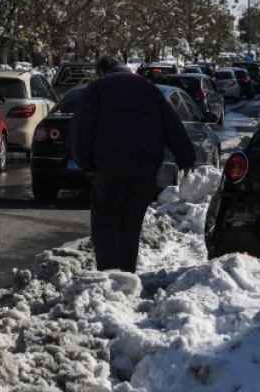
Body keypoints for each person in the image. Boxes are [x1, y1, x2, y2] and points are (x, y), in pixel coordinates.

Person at [70, 56, 196, 273]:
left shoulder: (97, 87)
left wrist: (86, 163)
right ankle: (127, 273)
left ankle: (109, 274)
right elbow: (172, 123)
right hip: (146, 164)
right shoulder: (148, 87)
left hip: (110, 163)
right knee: (132, 220)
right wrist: (185, 157)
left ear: (102, 71)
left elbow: (82, 128)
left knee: (107, 218)